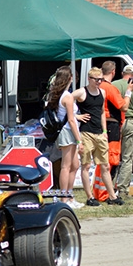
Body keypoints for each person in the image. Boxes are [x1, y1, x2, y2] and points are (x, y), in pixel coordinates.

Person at [73, 67, 123, 206]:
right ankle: (90, 197)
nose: (99, 82)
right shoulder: (82, 92)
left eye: (100, 79)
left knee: (105, 165)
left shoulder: (102, 92)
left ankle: (112, 196)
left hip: (100, 132)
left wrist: (105, 131)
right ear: (89, 79)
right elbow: (66, 101)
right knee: (86, 165)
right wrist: (76, 116)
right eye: (96, 79)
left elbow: (102, 112)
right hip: (86, 132)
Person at [45, 66, 86, 209]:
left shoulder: (59, 94)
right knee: (66, 166)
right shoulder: (67, 96)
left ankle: (69, 195)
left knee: (75, 165)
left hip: (65, 131)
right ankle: (64, 197)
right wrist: (79, 139)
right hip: (67, 131)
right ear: (70, 78)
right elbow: (71, 120)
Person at [112, 65, 133, 198]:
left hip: (114, 122)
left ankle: (109, 186)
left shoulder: (113, 85)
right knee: (127, 157)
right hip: (130, 121)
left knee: (112, 156)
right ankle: (123, 190)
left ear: (121, 73)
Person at [100, 61, 133, 184]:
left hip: (100, 125)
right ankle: (107, 190)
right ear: (113, 72)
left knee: (102, 158)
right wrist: (129, 91)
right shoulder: (109, 88)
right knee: (112, 158)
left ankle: (102, 190)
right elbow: (123, 106)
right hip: (111, 125)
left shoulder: (97, 86)